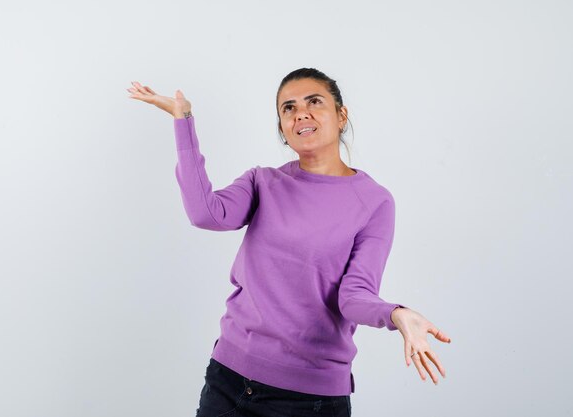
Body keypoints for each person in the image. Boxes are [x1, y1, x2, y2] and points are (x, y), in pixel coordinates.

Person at [127, 68, 451, 417]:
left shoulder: (374, 202)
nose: (301, 114)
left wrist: (396, 314)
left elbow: (354, 295)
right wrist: (183, 119)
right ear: (283, 128)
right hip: (228, 380)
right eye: (288, 108)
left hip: (308, 400)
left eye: (315, 102)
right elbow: (206, 214)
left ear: (342, 115)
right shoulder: (263, 182)